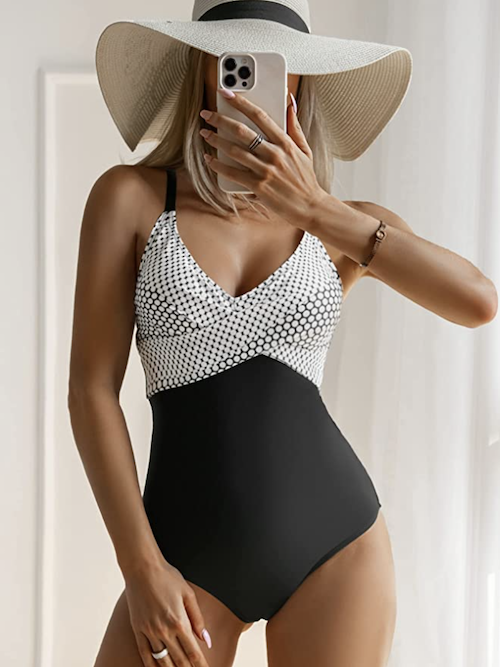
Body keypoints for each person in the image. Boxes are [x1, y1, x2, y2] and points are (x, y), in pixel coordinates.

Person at [68, 2, 498, 666]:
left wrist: (316, 206)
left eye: (275, 63)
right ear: (201, 70)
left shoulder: (339, 226)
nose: (250, 80)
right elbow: (91, 391)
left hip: (336, 548)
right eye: (232, 60)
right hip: (180, 555)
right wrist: (141, 567)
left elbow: (478, 301)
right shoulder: (132, 198)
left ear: (301, 81)